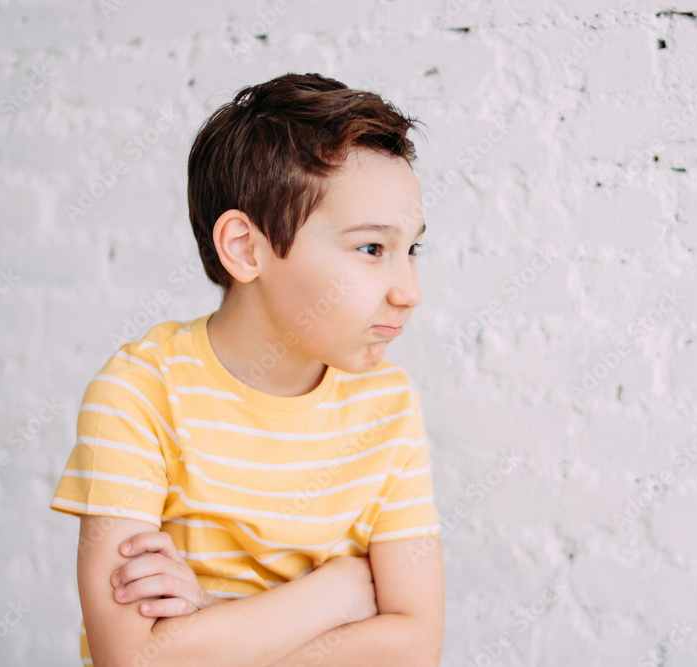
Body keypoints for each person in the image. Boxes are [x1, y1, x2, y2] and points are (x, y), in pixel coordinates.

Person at [50, 72, 445, 666]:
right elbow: (131, 661)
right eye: (371, 248)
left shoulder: (388, 403)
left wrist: (208, 621)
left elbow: (415, 649)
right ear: (244, 247)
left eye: (411, 249)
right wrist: (336, 593)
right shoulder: (141, 393)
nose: (409, 291)